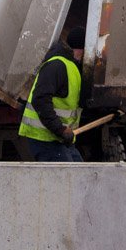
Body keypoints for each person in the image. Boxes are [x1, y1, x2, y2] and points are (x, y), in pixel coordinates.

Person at [18, 26, 85, 162]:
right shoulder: (57, 66)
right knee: (68, 178)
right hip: (44, 138)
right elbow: (40, 99)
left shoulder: (71, 67)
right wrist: (60, 129)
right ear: (83, 49)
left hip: (58, 138)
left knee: (79, 174)